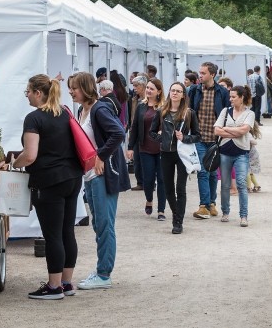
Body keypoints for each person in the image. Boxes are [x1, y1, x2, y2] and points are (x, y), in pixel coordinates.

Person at [15, 75, 83, 300]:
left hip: (49, 182)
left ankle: (54, 287)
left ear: (38, 93)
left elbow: (30, 155)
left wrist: (15, 164)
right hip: (72, 178)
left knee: (52, 234)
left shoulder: (33, 118)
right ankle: (66, 282)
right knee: (66, 231)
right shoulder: (64, 112)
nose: (26, 95)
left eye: (28, 91)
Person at [68, 72, 129, 290]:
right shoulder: (82, 109)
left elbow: (119, 133)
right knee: (99, 223)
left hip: (103, 174)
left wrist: (101, 156)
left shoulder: (99, 109)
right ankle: (102, 270)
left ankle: (104, 274)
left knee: (104, 225)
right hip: (91, 175)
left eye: (74, 87)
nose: (70, 91)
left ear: (85, 88)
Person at [150, 82, 201, 234]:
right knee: (168, 188)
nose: (175, 93)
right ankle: (176, 214)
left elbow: (198, 136)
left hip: (182, 154)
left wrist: (184, 137)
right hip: (166, 152)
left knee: (181, 188)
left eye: (178, 91)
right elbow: (151, 133)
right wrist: (161, 138)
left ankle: (178, 222)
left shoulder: (189, 113)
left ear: (183, 95)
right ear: (169, 93)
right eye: (173, 90)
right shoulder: (161, 112)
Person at [188, 62, 230, 219]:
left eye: (203, 73)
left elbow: (227, 114)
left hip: (216, 139)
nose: (200, 75)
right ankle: (203, 205)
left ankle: (212, 203)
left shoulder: (222, 92)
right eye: (199, 72)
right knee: (203, 171)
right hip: (199, 137)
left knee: (213, 172)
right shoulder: (194, 90)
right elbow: (190, 111)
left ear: (212, 74)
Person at [214, 85, 257, 227]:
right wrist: (234, 131)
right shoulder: (225, 111)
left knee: (241, 184)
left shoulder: (249, 114)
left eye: (233, 97)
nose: (230, 99)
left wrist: (226, 128)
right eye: (230, 96)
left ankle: (243, 216)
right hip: (225, 153)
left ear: (241, 97)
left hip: (241, 154)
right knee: (225, 185)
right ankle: (225, 212)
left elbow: (244, 131)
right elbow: (217, 131)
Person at [127, 78, 166, 221]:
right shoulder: (141, 106)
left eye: (152, 89)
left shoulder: (164, 107)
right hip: (145, 148)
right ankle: (149, 199)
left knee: (162, 180)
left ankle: (161, 210)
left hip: (162, 149)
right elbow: (135, 127)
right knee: (148, 180)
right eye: (148, 88)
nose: (148, 91)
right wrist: (130, 147)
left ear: (159, 91)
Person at [127, 74, 148, 190]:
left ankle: (148, 181)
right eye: (133, 86)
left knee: (145, 159)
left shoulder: (148, 100)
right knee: (137, 158)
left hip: (146, 132)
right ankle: (140, 181)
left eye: (136, 86)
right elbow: (132, 115)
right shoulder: (134, 99)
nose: (134, 88)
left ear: (143, 85)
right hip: (135, 131)